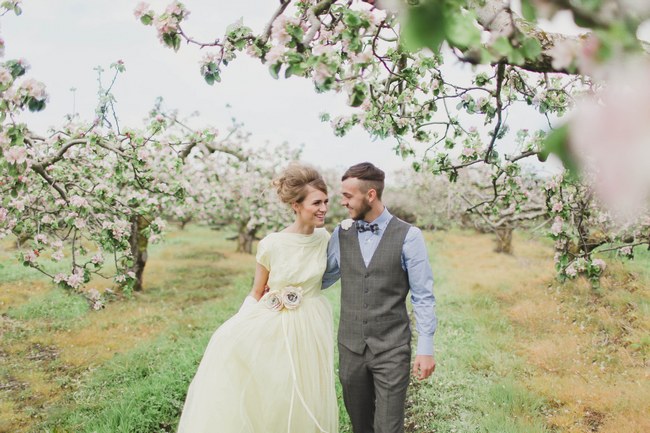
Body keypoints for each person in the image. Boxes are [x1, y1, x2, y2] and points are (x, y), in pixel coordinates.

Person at [177, 163, 338, 433]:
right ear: (296, 205)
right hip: (275, 326)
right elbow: (256, 290)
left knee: (309, 392)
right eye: (316, 202)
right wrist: (237, 327)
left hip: (312, 323)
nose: (323, 208)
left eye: (326, 201)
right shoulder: (271, 244)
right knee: (276, 392)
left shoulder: (326, 239)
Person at [322, 162, 437, 433]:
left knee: (388, 427)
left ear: (370, 195)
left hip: (392, 349)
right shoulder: (341, 233)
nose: (343, 203)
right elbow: (323, 277)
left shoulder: (409, 236)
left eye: (348, 196)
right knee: (360, 425)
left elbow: (423, 296)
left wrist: (426, 347)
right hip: (350, 348)